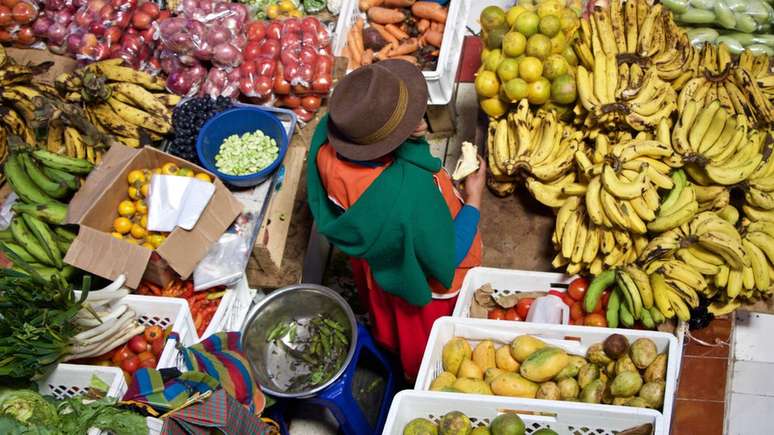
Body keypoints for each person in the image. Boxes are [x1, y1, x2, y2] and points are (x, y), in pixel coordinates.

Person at [306, 59, 486, 379]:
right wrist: (473, 200)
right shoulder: (407, 196)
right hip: (423, 284)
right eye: (411, 117)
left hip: (383, 264)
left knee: (391, 318)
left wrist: (407, 135)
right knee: (430, 346)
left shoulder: (328, 145)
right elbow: (445, 255)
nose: (421, 116)